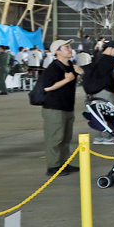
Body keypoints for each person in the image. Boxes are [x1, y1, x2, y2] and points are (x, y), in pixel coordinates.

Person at [37, 41, 79, 175]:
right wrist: (66, 80)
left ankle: (64, 163)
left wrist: (78, 75)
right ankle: (53, 167)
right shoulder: (53, 67)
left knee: (66, 138)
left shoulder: (70, 66)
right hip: (54, 107)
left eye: (69, 47)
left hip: (67, 106)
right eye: (66, 47)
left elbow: (74, 80)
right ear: (57, 51)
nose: (70, 49)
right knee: (55, 139)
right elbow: (47, 87)